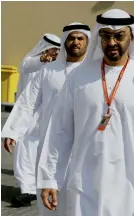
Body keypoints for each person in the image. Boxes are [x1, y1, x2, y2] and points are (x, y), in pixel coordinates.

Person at [38, 9, 134, 216]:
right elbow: (60, 130)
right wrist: (50, 177)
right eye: (105, 36)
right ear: (98, 37)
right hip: (82, 184)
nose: (112, 42)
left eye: (119, 36)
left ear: (131, 37)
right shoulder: (79, 77)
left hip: (130, 187)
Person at [2, 22, 90, 213]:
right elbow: (28, 102)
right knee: (51, 202)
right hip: (52, 143)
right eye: (71, 38)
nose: (75, 42)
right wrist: (13, 131)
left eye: (80, 38)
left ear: (88, 42)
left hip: (85, 144)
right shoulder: (48, 71)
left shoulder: (94, 73)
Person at [1, 33, 61, 207]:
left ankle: (43, 187)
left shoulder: (57, 67)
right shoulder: (30, 61)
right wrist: (43, 58)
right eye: (51, 49)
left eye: (57, 50)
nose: (54, 52)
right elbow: (27, 66)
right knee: (23, 153)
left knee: (43, 153)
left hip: (47, 117)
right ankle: (27, 191)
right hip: (27, 118)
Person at [17, 33, 61, 98]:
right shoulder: (29, 61)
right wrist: (42, 59)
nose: (56, 52)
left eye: (58, 49)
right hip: (27, 103)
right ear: (47, 48)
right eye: (54, 49)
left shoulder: (54, 63)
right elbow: (24, 67)